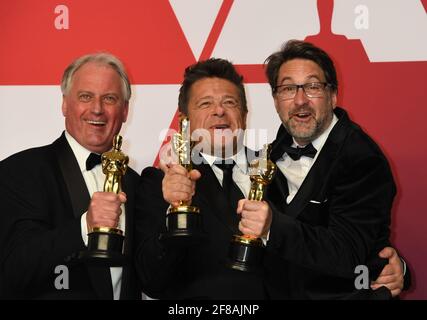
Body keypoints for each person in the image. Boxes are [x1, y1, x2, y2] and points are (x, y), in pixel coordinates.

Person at [134, 58, 405, 299]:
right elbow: (152, 282)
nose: (219, 111)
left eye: (230, 102)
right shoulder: (159, 181)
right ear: (185, 120)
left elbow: (328, 235)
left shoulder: (279, 165)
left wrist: (386, 266)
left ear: (244, 114)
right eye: (205, 104)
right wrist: (175, 213)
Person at [239, 39, 406, 299]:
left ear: (333, 95)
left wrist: (273, 226)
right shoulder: (268, 154)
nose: (300, 100)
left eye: (313, 87)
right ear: (275, 99)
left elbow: (348, 253)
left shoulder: (362, 157)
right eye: (287, 89)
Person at [0, 53, 141, 299]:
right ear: (65, 104)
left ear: (125, 110)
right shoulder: (20, 171)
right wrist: (85, 227)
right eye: (85, 96)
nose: (97, 109)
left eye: (109, 98)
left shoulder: (136, 182)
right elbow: (13, 270)